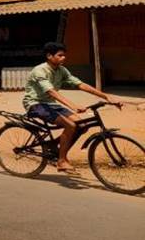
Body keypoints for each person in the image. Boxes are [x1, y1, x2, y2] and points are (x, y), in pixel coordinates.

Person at [23, 41, 121, 172]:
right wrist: (72, 105)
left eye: (64, 55)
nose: (64, 58)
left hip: (51, 104)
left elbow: (80, 84)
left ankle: (55, 146)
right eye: (60, 55)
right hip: (35, 104)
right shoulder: (39, 71)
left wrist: (106, 96)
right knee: (71, 125)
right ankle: (61, 160)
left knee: (82, 125)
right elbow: (51, 91)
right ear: (49, 56)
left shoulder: (61, 70)